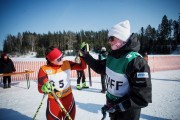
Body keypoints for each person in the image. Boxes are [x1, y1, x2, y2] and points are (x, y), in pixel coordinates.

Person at [79, 20, 152, 120]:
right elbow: (100, 68)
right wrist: (86, 56)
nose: (109, 41)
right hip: (113, 110)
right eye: (109, 38)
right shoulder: (112, 55)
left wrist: (117, 106)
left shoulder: (136, 61)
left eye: (112, 38)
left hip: (127, 113)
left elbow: (142, 97)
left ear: (121, 39)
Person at [38, 46, 86, 120]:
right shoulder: (44, 69)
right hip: (54, 100)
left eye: (62, 56)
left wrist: (83, 56)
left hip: (68, 98)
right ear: (51, 60)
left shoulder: (67, 63)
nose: (62, 59)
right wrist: (44, 88)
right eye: (59, 58)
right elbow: (40, 88)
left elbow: (82, 67)